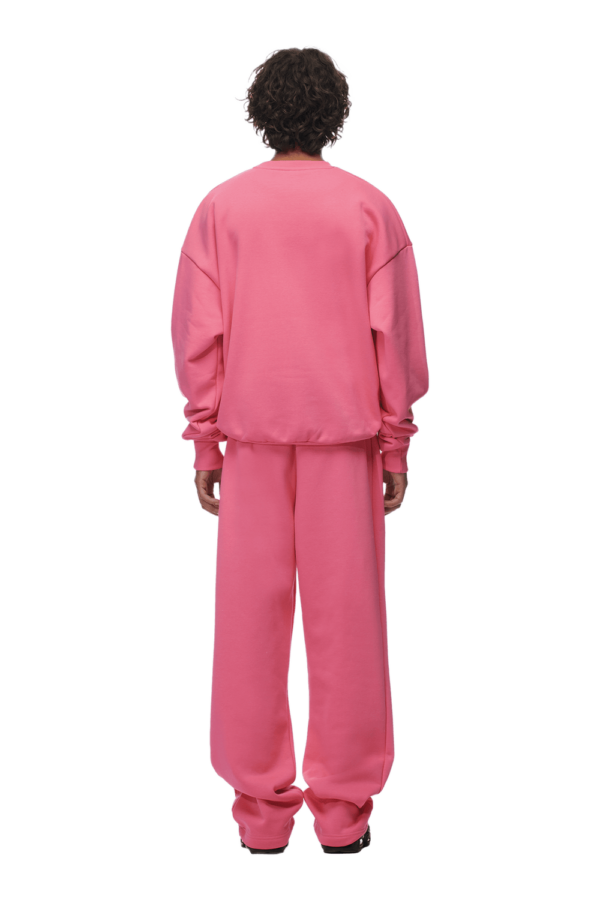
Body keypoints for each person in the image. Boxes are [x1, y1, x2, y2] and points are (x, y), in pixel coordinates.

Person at [169, 44, 430, 856]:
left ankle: (259, 811)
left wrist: (203, 438)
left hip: (250, 443)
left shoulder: (221, 208)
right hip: (344, 445)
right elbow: (399, 340)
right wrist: (396, 444)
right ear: (335, 113)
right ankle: (345, 812)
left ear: (258, 111)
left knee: (248, 622)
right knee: (349, 622)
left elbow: (196, 335)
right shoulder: (370, 208)